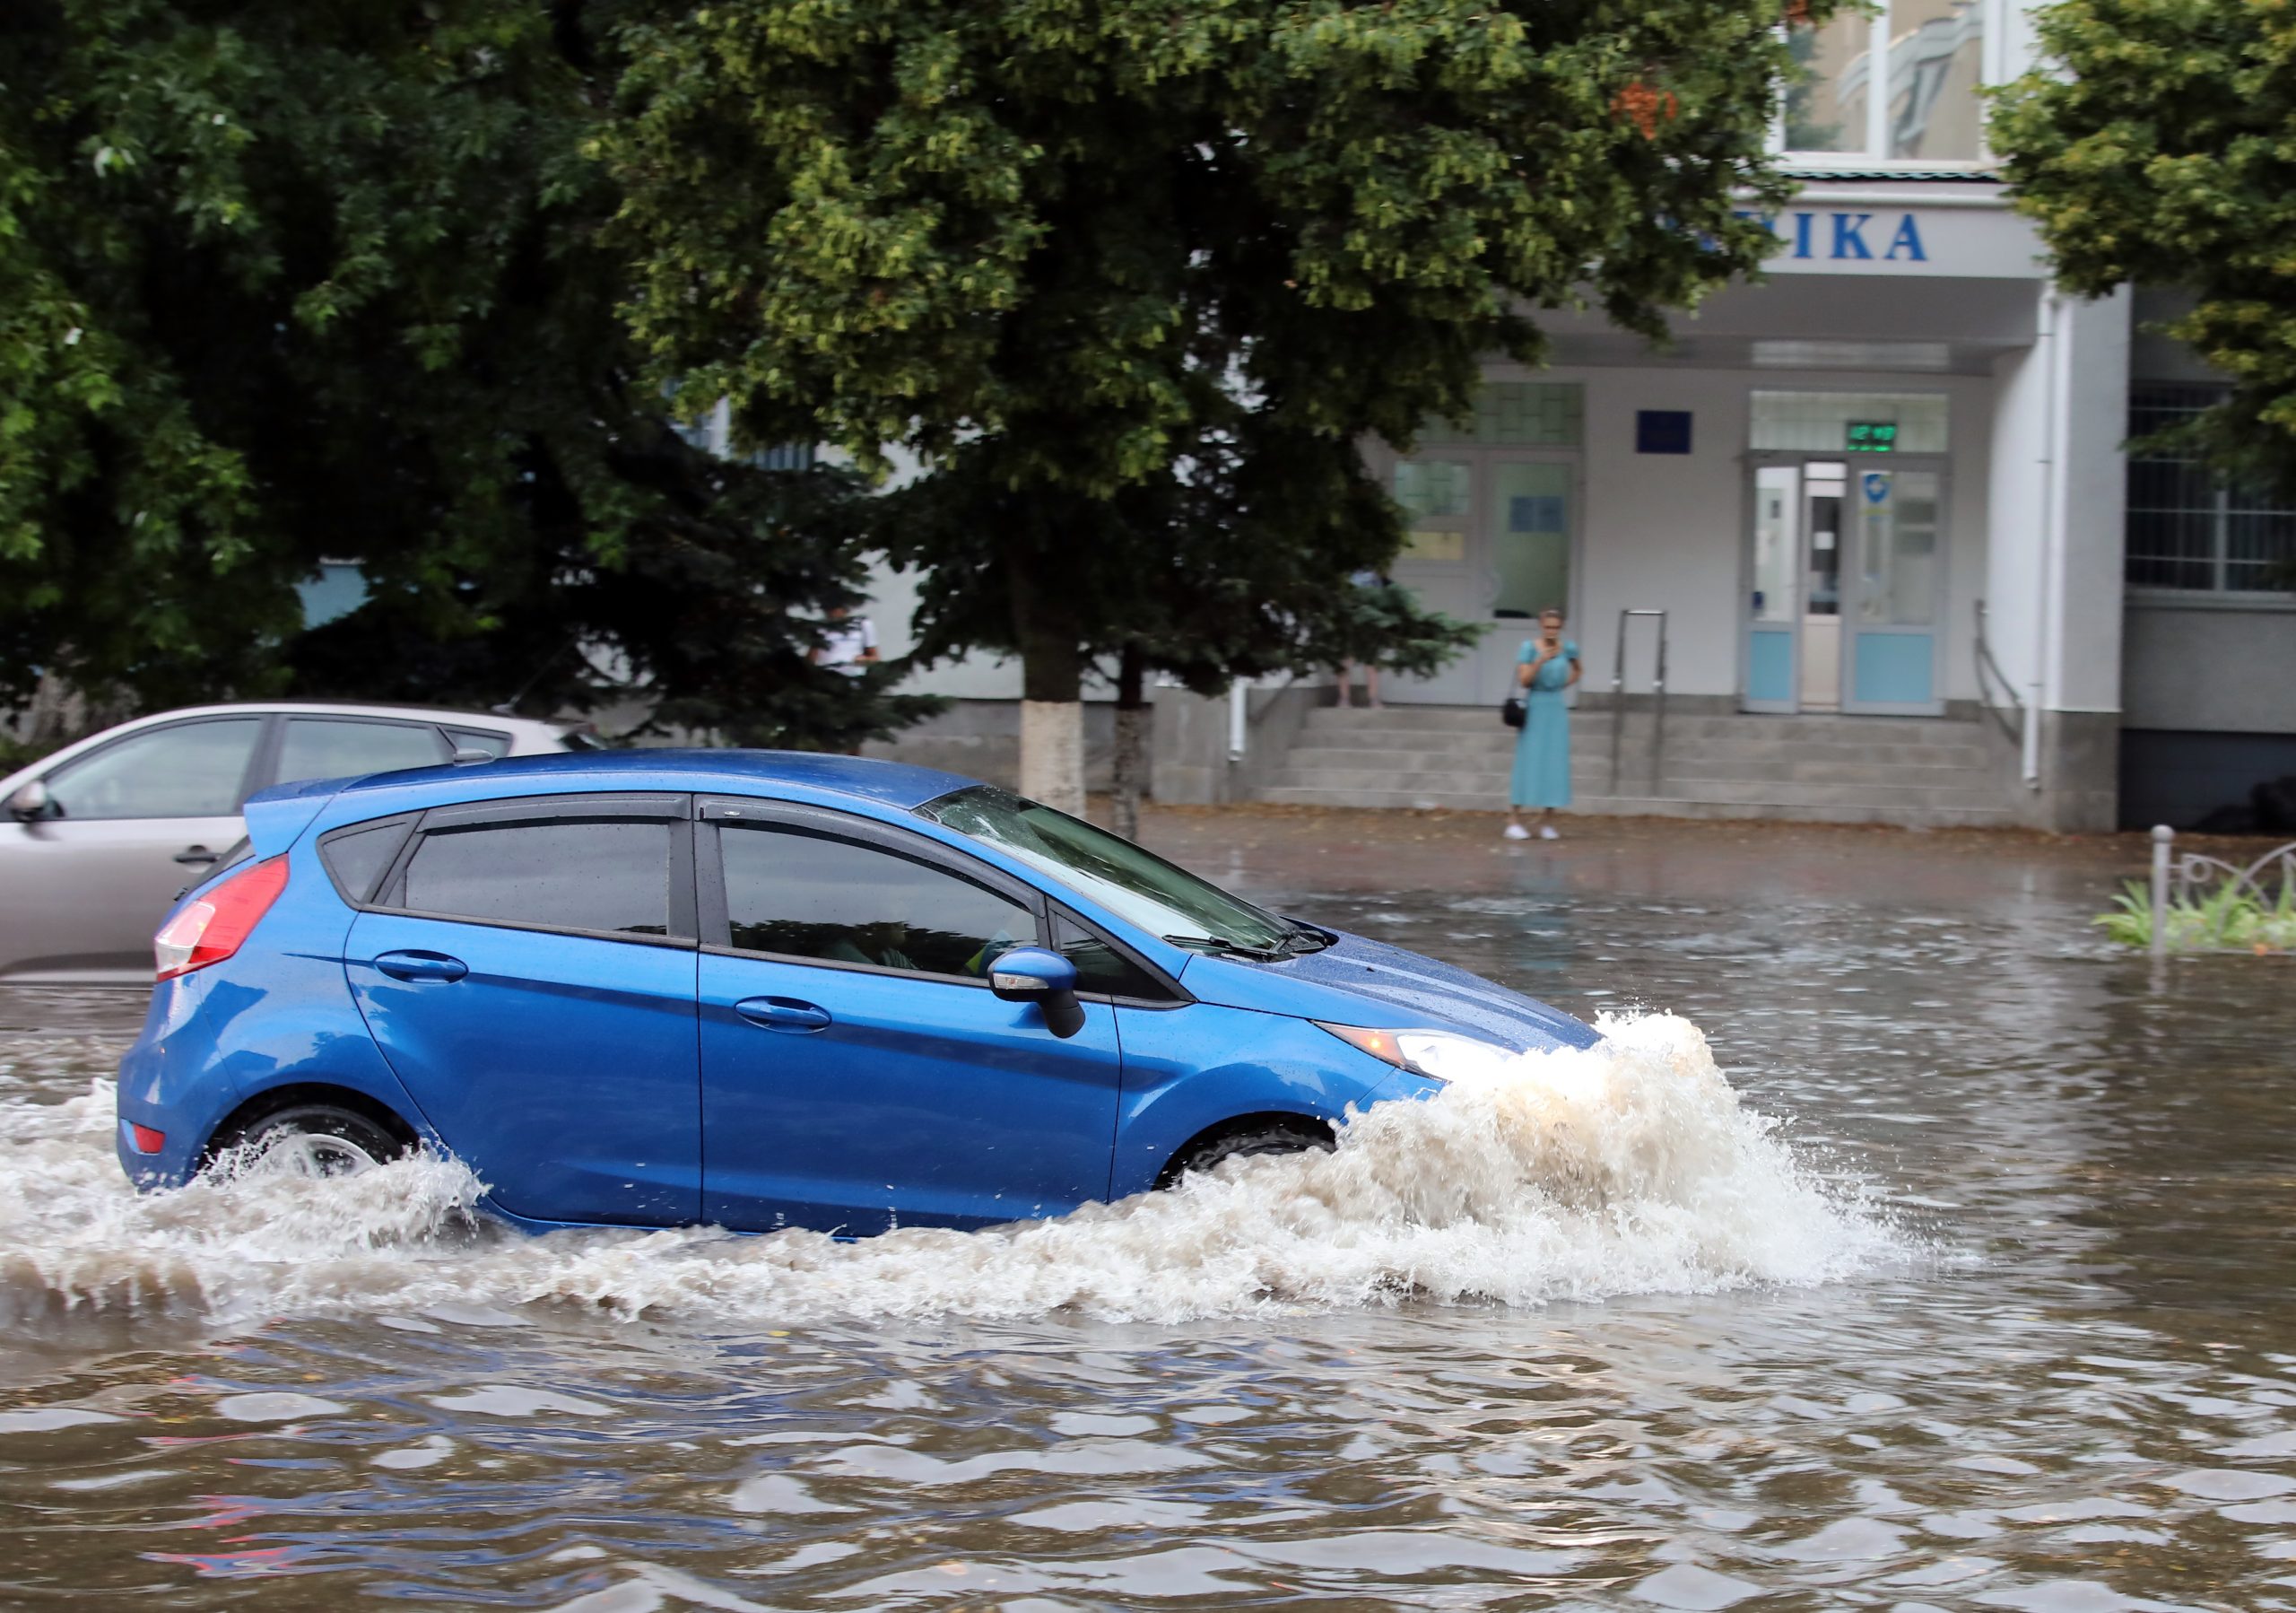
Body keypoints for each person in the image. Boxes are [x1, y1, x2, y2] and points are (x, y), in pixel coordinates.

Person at [1506, 607, 1579, 841]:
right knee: (1529, 759)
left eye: (1556, 627)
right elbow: (1524, 680)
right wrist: (1540, 661)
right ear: (1541, 626)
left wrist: (1563, 685)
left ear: (1561, 628)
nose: (1551, 631)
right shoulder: (1529, 647)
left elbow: (1578, 669)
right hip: (1535, 705)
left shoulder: (1568, 648)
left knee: (1554, 762)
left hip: (1556, 707)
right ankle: (1514, 819)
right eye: (1548, 627)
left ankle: (1548, 821)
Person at [1336, 569, 1389, 709]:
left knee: (1370, 664)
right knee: (1347, 661)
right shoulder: (1348, 575)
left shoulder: (1375, 577)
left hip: (1368, 625)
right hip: (1351, 624)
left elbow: (1380, 601)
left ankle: (1372, 699)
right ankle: (1344, 699)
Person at [812, 605, 879, 676]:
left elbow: (875, 658)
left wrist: (864, 660)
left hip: (853, 679)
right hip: (827, 680)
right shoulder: (818, 627)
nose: (831, 611)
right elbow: (811, 661)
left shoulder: (863, 623)